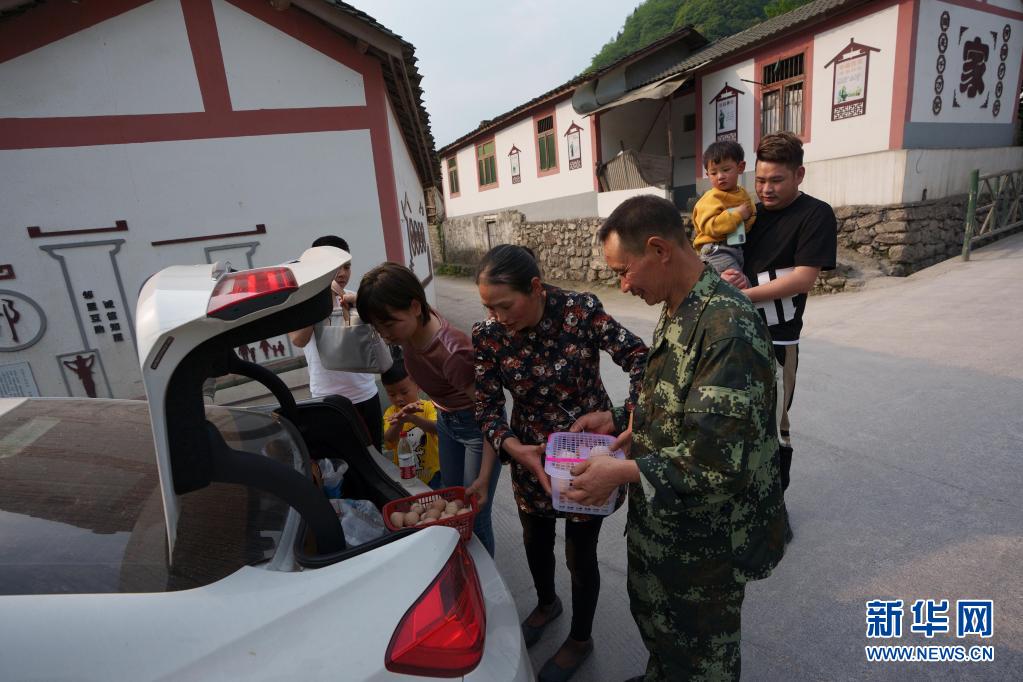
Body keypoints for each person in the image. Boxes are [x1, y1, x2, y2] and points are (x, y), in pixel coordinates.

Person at [567, 195, 787, 681]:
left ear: (659, 249)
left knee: (701, 656)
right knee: (663, 633)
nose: (624, 286)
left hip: (705, 544)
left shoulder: (727, 329)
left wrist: (617, 473)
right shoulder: (679, 302)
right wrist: (623, 425)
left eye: (624, 271)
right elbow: (673, 395)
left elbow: (717, 462)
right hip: (666, 526)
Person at [472, 245, 647, 682]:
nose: (497, 317)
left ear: (535, 287)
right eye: (489, 307)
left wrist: (622, 414)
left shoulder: (579, 311)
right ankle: (547, 603)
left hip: (586, 455)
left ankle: (580, 639)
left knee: (580, 553)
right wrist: (513, 447)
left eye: (505, 305)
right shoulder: (488, 336)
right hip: (531, 455)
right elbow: (487, 406)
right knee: (534, 538)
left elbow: (642, 358)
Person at [356, 262, 501, 556]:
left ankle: (484, 577)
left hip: (476, 429)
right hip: (446, 420)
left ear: (414, 307)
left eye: (388, 325)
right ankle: (459, 560)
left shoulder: (453, 354)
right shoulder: (412, 325)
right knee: (450, 502)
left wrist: (485, 477)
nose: (384, 335)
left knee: (474, 510)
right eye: (377, 327)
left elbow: (492, 413)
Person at [721, 132, 838, 492]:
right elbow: (726, 254)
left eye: (776, 180)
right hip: (735, 335)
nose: (766, 189)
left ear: (799, 174)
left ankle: (772, 505)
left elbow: (803, 279)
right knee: (733, 420)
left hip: (778, 339)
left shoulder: (815, 214)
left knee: (773, 422)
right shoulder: (749, 214)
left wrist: (744, 296)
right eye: (759, 180)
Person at [289, 236, 383, 450]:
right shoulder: (303, 304)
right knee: (338, 463)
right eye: (335, 267)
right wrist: (319, 303)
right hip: (326, 399)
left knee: (374, 458)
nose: (342, 273)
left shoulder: (354, 298)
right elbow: (298, 340)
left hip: (365, 394)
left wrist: (360, 304)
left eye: (347, 266)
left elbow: (382, 329)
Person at [692, 140, 756, 274]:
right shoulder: (711, 198)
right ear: (707, 174)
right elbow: (711, 226)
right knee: (736, 282)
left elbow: (751, 212)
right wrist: (737, 215)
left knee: (740, 281)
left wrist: (749, 218)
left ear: (740, 167)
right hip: (716, 250)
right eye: (713, 173)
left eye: (726, 170)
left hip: (736, 246)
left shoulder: (742, 193)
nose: (720, 176)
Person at [381, 350, 442, 489]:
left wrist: (412, 418)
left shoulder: (427, 407)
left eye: (404, 392)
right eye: (391, 394)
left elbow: (436, 429)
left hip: (432, 473)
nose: (398, 398)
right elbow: (389, 439)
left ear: (418, 386)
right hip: (405, 474)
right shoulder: (391, 413)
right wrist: (400, 420)